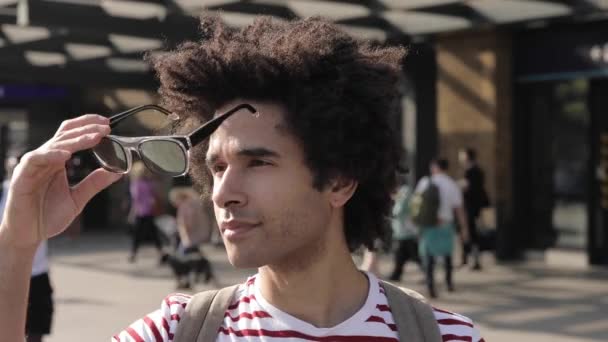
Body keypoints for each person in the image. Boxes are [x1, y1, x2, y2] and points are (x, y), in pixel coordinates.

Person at [0, 15, 483, 341]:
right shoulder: (177, 331)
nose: (224, 194)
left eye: (258, 163)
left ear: (338, 180)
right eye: (217, 167)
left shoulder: (444, 335)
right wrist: (17, 246)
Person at [0, 155, 54, 342]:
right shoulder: (3, 193)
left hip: (38, 273)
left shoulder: (38, 191)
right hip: (8, 272)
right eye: (13, 166)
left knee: (37, 329)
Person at [414, 158, 469, 298]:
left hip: (429, 224)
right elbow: (459, 208)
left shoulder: (425, 182)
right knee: (447, 254)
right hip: (446, 223)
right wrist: (464, 228)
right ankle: (449, 283)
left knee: (429, 255)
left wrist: (415, 223)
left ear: (434, 167)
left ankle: (430, 285)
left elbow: (416, 204)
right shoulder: (452, 184)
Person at [167, 186, 217, 289]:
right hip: (199, 234)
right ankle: (207, 275)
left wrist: (185, 234)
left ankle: (186, 281)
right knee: (197, 258)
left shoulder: (185, 206)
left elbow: (187, 223)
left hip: (190, 237)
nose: (174, 203)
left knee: (183, 260)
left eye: (174, 201)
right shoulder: (194, 203)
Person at [127, 161, 167, 263]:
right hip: (149, 211)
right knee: (153, 234)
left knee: (138, 235)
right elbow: (154, 197)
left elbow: (136, 200)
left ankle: (133, 253)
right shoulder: (149, 183)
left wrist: (132, 213)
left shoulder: (136, 184)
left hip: (141, 212)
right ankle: (161, 252)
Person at [458, 147, 489, 270]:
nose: (460, 158)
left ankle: (472, 260)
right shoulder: (478, 170)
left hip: (471, 207)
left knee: (470, 233)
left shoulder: (471, 172)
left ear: (467, 157)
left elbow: (467, 187)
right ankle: (471, 259)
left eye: (462, 155)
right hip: (475, 206)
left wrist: (459, 185)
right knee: (471, 233)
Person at [389, 183, 421, 282]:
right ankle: (396, 274)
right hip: (404, 232)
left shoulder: (404, 192)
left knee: (410, 254)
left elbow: (398, 211)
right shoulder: (405, 192)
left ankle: (396, 274)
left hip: (405, 232)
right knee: (403, 255)